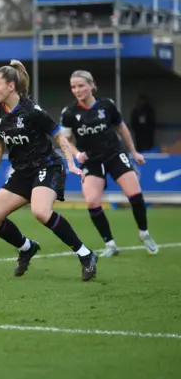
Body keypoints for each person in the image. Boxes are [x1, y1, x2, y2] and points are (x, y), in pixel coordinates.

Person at [0, 60, 98, 282]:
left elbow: (58, 136)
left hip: (47, 166)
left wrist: (71, 163)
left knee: (41, 212)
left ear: (11, 86)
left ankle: (85, 254)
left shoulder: (32, 111)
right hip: (22, 172)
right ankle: (26, 247)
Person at [60, 71, 158, 257]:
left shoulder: (107, 105)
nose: (77, 90)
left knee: (134, 193)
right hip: (92, 160)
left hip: (114, 154)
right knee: (92, 202)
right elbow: (65, 141)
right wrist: (76, 154)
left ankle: (144, 232)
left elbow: (122, 129)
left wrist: (134, 151)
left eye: (81, 85)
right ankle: (110, 244)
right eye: (73, 87)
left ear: (91, 86)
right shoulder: (69, 113)